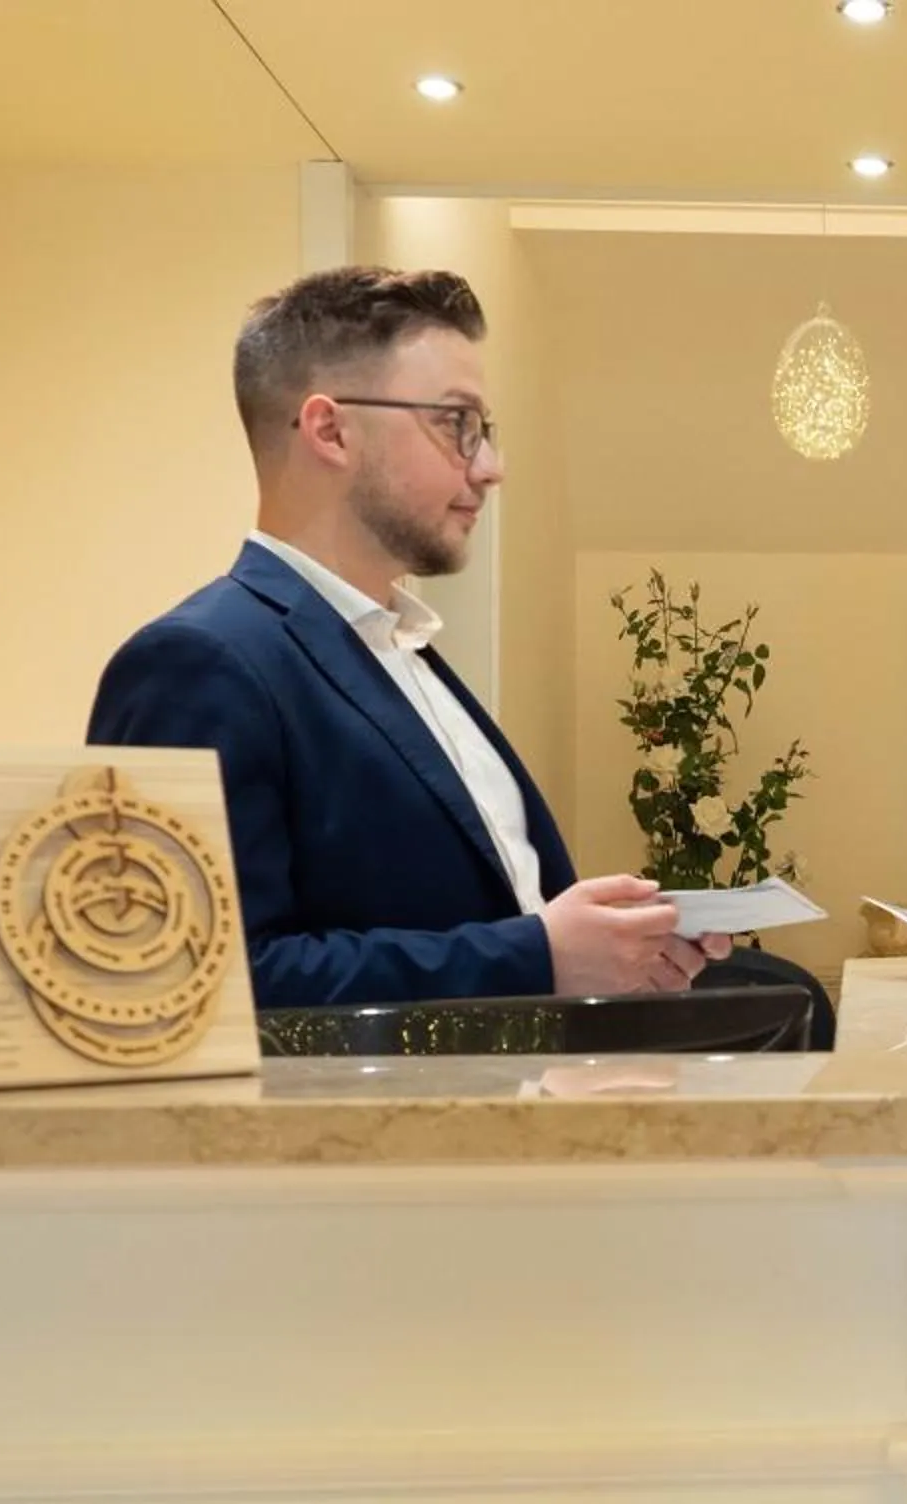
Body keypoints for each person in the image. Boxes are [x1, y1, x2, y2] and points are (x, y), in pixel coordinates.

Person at [89, 266, 727, 1007]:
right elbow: (186, 980)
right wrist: (535, 957)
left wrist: (611, 956)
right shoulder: (198, 663)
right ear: (330, 429)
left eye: (485, 431)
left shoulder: (404, 651)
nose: (491, 468)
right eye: (456, 424)